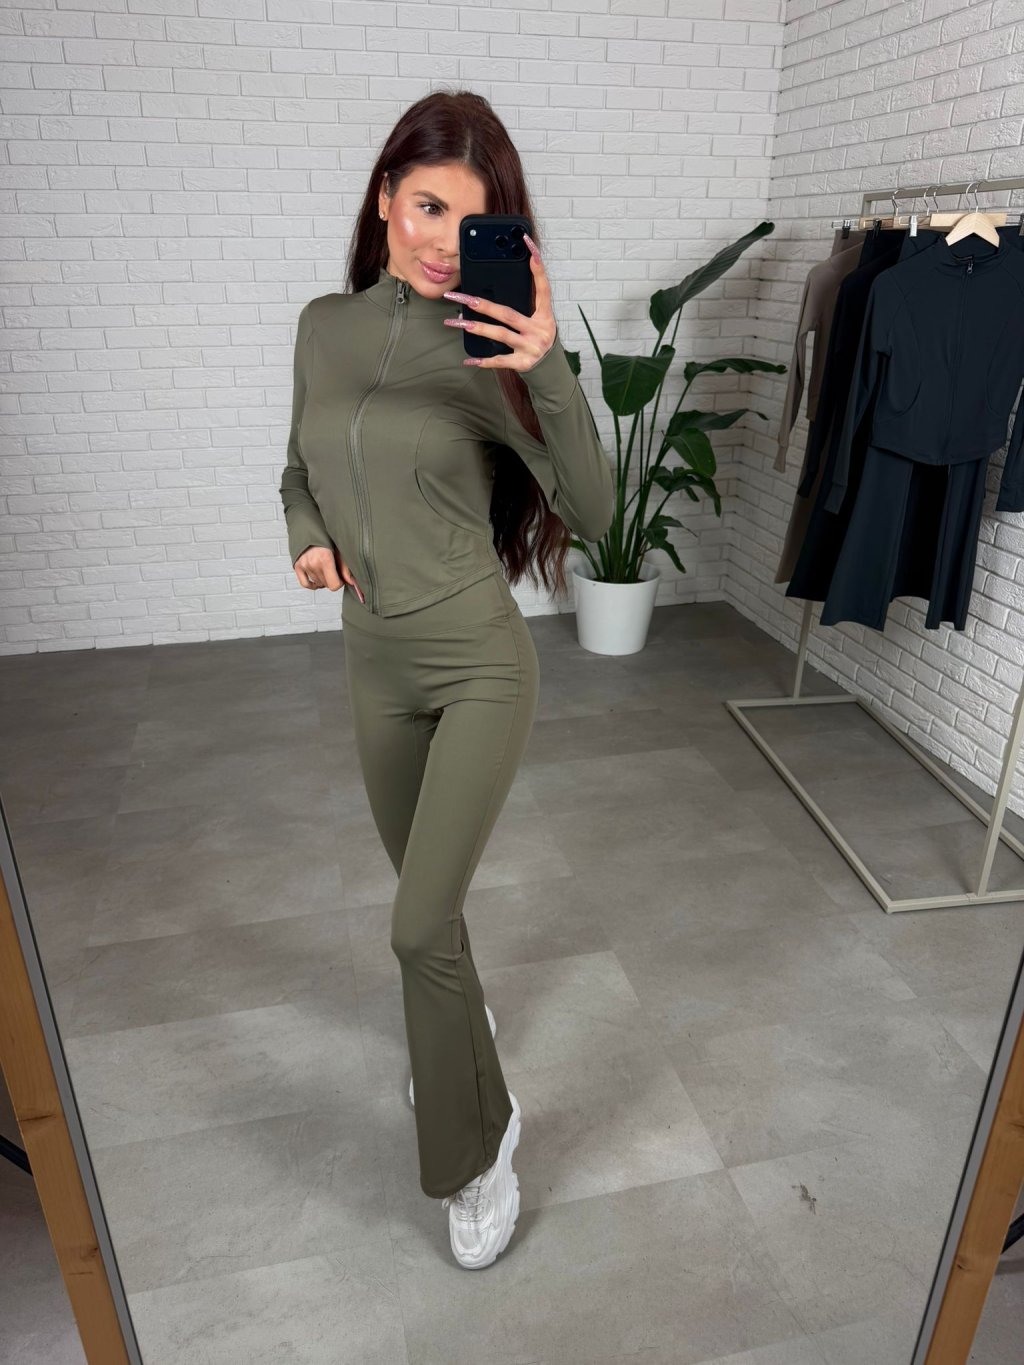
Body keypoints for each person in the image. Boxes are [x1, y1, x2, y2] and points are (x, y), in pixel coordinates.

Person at [279, 88, 614, 1269]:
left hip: (476, 664)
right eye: (425, 206)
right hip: (372, 666)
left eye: (469, 222)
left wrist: (548, 366)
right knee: (436, 920)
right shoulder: (324, 327)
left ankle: (480, 1150)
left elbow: (595, 510)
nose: (439, 243)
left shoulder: (491, 346)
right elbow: (299, 469)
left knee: (416, 925)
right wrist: (307, 539)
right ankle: (456, 1042)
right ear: (385, 197)